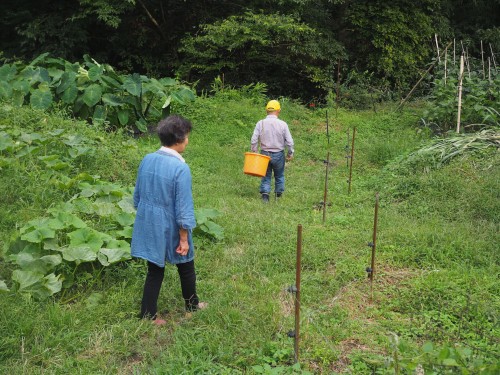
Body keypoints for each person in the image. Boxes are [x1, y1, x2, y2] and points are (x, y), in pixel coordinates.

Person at [131, 115, 205, 326]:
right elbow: (183, 207)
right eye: (188, 136)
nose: (188, 140)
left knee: (155, 268)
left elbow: (137, 196)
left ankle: (147, 313)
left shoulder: (147, 159)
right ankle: (192, 306)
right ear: (180, 138)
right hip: (171, 223)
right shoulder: (181, 168)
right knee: (186, 265)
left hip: (149, 220)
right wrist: (184, 237)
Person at [250, 100, 294, 202]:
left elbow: (254, 139)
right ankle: (278, 195)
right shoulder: (283, 124)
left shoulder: (260, 123)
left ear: (266, 111)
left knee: (265, 175)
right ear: (279, 110)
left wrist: (254, 151)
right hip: (279, 154)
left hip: (264, 154)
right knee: (279, 175)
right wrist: (290, 153)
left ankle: (265, 196)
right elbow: (290, 142)